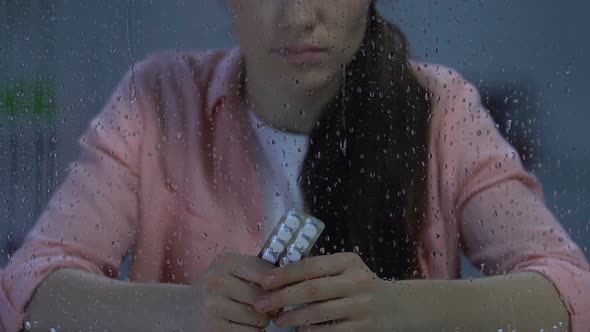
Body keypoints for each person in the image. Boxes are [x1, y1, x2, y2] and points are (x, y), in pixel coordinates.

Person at [1, 1, 589, 331]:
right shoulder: (157, 97)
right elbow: (27, 286)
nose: (300, 15)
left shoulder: (443, 108)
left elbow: (571, 291)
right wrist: (179, 310)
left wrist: (396, 307)